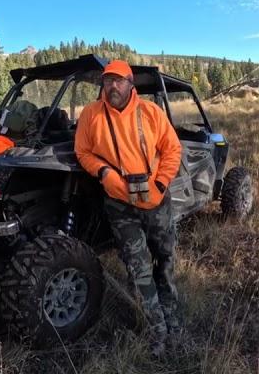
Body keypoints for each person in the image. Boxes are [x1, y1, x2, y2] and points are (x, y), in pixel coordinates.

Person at [74, 59, 183, 356]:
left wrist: (160, 184)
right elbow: (82, 151)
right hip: (120, 204)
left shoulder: (151, 112)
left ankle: (173, 318)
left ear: (130, 84)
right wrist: (103, 172)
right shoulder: (91, 115)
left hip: (156, 202)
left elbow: (173, 149)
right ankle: (157, 329)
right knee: (138, 268)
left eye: (118, 80)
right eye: (107, 80)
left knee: (165, 260)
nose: (112, 85)